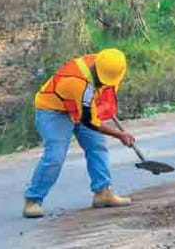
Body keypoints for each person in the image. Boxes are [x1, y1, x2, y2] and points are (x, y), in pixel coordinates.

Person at [23, 48, 136, 219]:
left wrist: (103, 105)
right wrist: (119, 135)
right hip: (53, 109)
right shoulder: (77, 81)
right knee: (55, 156)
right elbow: (89, 121)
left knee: (97, 147)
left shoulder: (108, 65)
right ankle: (32, 201)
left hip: (80, 106)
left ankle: (103, 193)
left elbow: (101, 96)